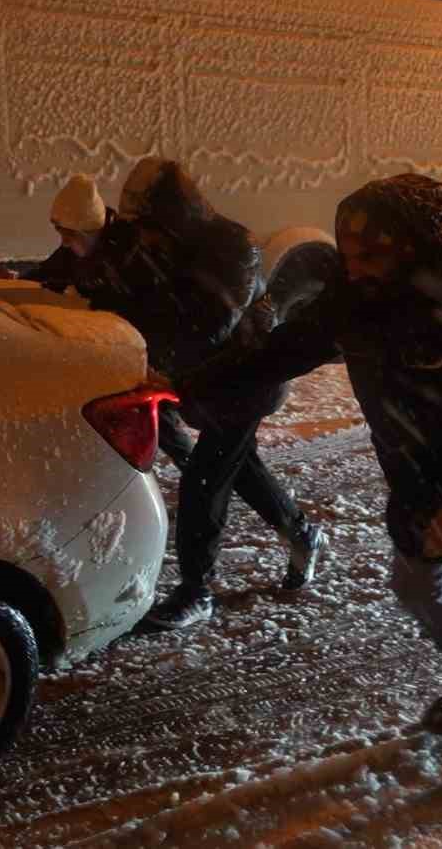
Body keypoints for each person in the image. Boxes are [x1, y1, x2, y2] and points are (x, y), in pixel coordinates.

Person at [180, 174, 442, 775]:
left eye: (368, 254)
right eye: (348, 252)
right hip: (418, 472)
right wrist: (184, 383)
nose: (351, 266)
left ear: (413, 247)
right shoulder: (354, 297)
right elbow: (279, 351)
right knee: (415, 586)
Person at [70, 158, 327, 629]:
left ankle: (196, 590)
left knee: (203, 482)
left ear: (171, 218)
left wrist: (151, 336)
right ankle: (301, 533)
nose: (142, 237)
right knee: (241, 469)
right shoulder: (167, 247)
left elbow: (209, 324)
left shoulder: (233, 247)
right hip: (199, 383)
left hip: (245, 381)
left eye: (148, 227)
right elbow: (141, 298)